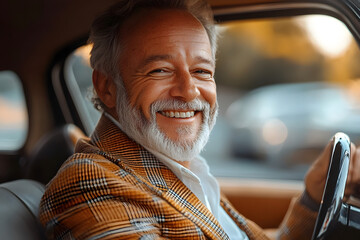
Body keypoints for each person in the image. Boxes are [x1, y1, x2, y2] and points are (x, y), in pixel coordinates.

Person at [39, 0, 360, 239]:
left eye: (202, 71)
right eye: (160, 70)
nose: (189, 90)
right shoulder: (88, 185)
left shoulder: (184, 171)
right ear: (107, 87)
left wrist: (313, 197)